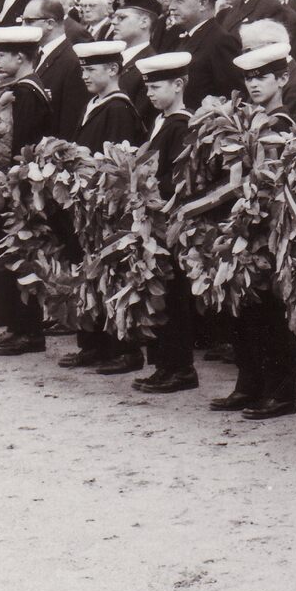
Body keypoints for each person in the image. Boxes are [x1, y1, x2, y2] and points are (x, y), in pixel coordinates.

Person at [212, 43, 296, 420]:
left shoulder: (283, 123)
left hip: (271, 228)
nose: (253, 84)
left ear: (283, 78)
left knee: (270, 314)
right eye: (248, 78)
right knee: (244, 309)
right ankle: (249, 383)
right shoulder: (249, 120)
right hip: (245, 226)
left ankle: (279, 393)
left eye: (263, 77)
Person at [70, 41, 145, 373]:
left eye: (91, 69)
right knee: (93, 274)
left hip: (110, 207)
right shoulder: (96, 102)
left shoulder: (118, 108)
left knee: (115, 274)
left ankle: (124, 350)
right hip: (90, 205)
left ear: (113, 70)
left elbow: (117, 164)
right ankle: (95, 344)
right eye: (83, 69)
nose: (84, 76)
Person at [130, 51, 199, 394]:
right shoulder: (163, 121)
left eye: (156, 87)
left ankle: (180, 367)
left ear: (178, 85)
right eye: (147, 88)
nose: (150, 94)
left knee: (172, 295)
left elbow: (178, 177)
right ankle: (164, 365)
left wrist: (150, 192)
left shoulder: (181, 124)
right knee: (159, 292)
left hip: (169, 222)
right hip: (153, 221)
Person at [0, 26, 53, 356]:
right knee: (9, 255)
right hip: (15, 185)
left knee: (22, 255)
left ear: (20, 57)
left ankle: (29, 330)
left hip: (22, 188)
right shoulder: (20, 89)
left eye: (1, 55)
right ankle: (16, 326)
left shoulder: (27, 92)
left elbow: (22, 145)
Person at [163, 0, 241, 111]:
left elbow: (233, 98)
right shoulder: (185, 36)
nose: (171, 7)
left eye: (179, 1)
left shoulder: (221, 41)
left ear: (203, 4)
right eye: (172, 0)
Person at [22, 0, 85, 141]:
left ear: (50, 23)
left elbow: (70, 121)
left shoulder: (72, 61)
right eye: (22, 20)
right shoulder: (37, 54)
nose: (23, 27)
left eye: (29, 21)